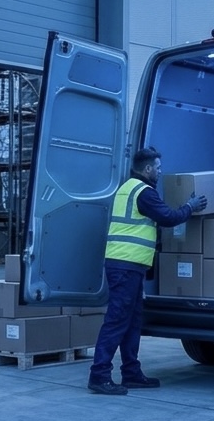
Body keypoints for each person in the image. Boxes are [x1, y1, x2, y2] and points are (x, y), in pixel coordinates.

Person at [88, 147, 207, 395]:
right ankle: (99, 375)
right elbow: (168, 217)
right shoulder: (143, 192)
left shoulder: (128, 187)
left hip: (130, 266)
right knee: (117, 321)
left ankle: (131, 373)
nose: (160, 172)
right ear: (148, 169)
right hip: (125, 266)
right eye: (159, 168)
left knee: (132, 322)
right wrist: (190, 206)